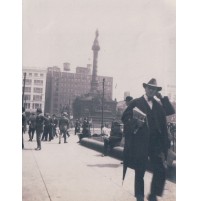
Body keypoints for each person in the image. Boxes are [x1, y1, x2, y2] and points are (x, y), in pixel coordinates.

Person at [122, 78, 175, 201]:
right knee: (140, 170)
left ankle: (153, 194)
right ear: (145, 88)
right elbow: (125, 117)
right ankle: (139, 195)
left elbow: (171, 111)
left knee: (160, 169)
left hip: (156, 143)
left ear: (156, 91)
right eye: (149, 88)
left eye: (154, 89)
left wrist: (161, 97)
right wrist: (135, 123)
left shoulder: (158, 105)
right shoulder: (136, 102)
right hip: (141, 141)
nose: (151, 90)